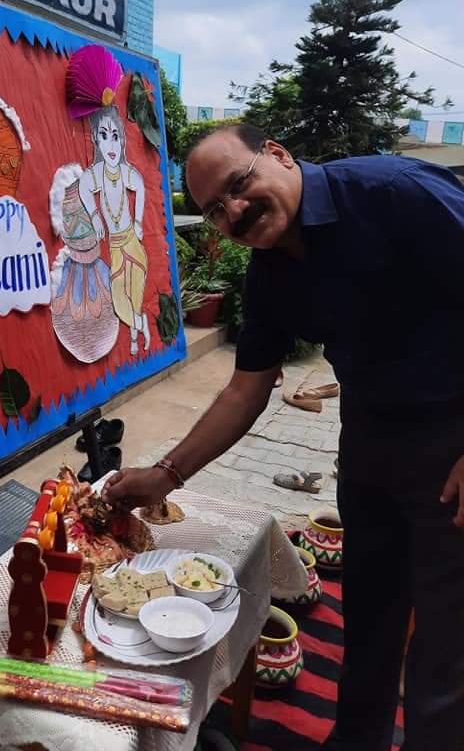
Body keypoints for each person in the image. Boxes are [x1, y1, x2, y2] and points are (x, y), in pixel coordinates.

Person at [103, 123, 464, 751]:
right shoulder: (270, 274)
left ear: (277, 155)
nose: (234, 210)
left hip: (452, 440)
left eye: (238, 184)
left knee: (446, 648)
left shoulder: (393, 192)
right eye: (215, 209)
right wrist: (164, 476)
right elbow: (246, 390)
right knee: (371, 617)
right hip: (369, 443)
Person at [78, 105, 150, 356]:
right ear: (96, 141)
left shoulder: (125, 172)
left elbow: (140, 186)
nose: (111, 144)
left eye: (115, 136)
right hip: (116, 245)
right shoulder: (96, 174)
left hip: (131, 239)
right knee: (119, 297)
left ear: (122, 141)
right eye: (104, 136)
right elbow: (84, 187)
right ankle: (140, 324)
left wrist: (138, 222)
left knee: (135, 290)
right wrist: (95, 216)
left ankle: (134, 336)